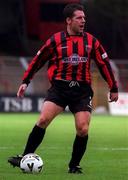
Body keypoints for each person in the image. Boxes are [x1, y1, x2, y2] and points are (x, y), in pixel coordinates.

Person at [8, 3, 118, 174]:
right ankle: (25, 157)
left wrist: (113, 87)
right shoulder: (55, 40)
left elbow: (104, 64)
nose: (83, 21)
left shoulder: (91, 41)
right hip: (59, 88)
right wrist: (25, 81)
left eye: (84, 18)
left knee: (83, 128)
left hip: (81, 91)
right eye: (79, 18)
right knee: (43, 120)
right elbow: (38, 60)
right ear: (69, 20)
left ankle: (74, 166)